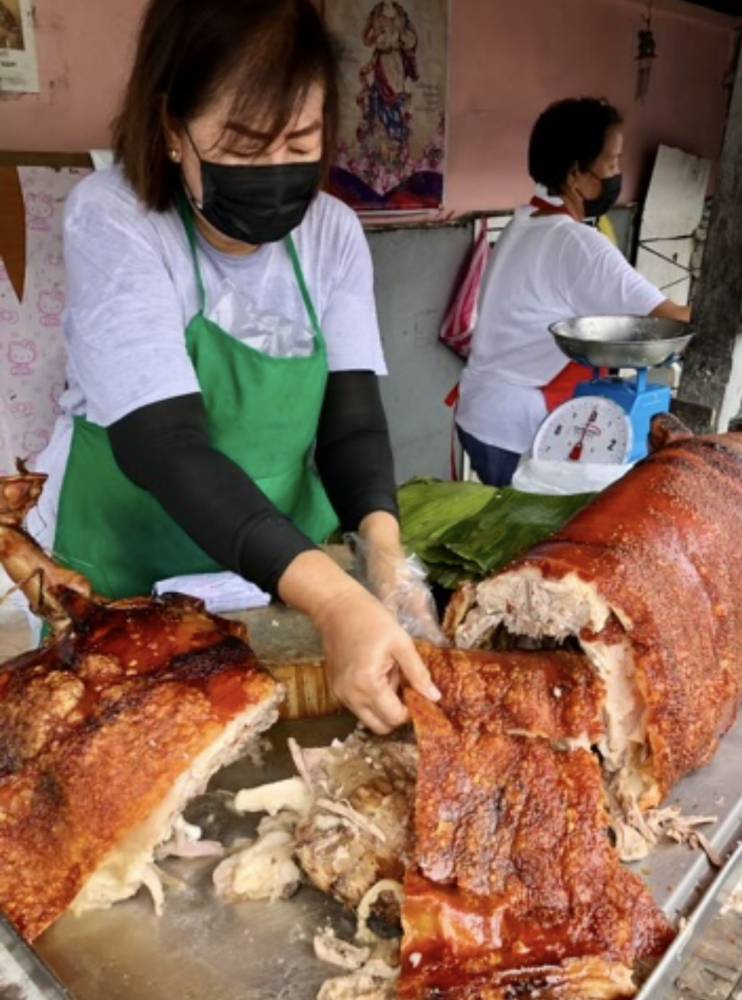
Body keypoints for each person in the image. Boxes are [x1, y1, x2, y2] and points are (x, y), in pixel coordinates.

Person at [28, 0, 442, 734]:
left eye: (301, 142)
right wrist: (334, 600)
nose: (277, 171)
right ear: (172, 128)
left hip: (282, 571)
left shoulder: (333, 234)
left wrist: (384, 565)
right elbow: (165, 445)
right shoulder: (115, 218)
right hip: (129, 569)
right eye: (245, 146)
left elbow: (350, 426)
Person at [456, 97, 690, 487]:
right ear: (576, 174)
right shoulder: (576, 243)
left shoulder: (525, 221)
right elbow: (671, 321)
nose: (618, 174)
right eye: (612, 163)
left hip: (480, 415)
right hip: (516, 429)